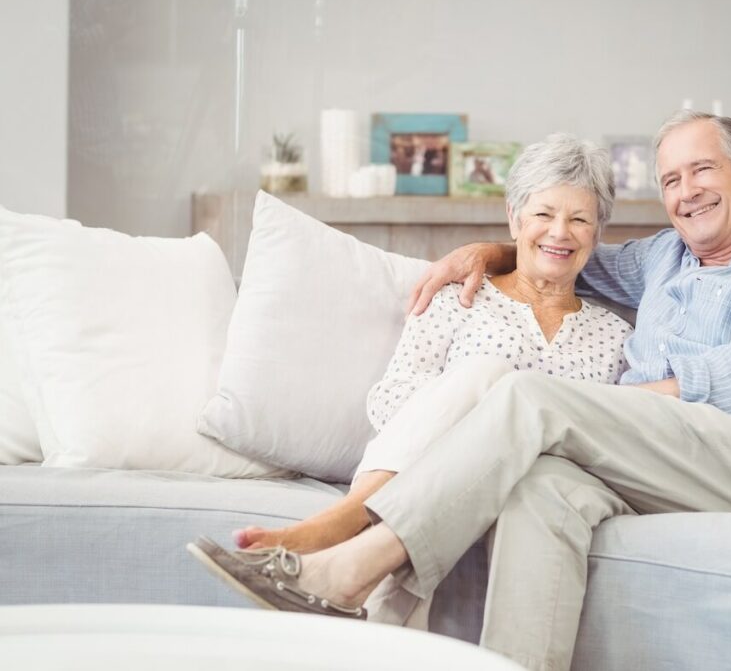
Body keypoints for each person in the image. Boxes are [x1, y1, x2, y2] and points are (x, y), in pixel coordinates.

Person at [189, 110, 731, 671]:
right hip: (656, 462)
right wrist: (483, 250)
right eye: (671, 179)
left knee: (531, 395)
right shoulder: (664, 258)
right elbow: (563, 249)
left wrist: (597, 408)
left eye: (702, 170)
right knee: (542, 490)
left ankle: (351, 561)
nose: (685, 191)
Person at [230, 131, 631, 556]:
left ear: (598, 231)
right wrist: (475, 417)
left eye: (580, 220)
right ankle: (354, 522)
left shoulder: (615, 337)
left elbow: (610, 446)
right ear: (514, 218)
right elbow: (390, 402)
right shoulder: (459, 298)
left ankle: (344, 528)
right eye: (543, 214)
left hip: (534, 496)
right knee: (486, 376)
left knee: (497, 382)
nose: (560, 232)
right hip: (433, 478)